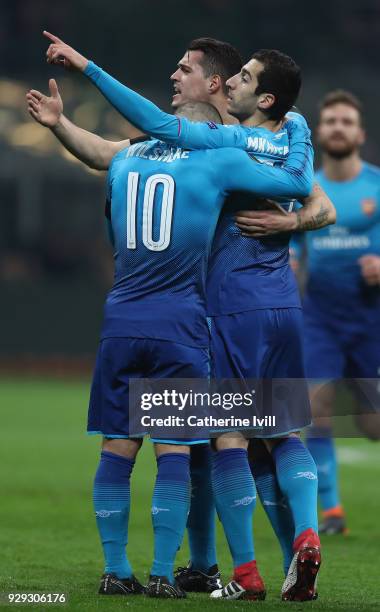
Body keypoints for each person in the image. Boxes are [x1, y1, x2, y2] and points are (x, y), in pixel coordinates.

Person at [29, 33, 335, 601]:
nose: (173, 78)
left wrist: (292, 223)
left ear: (214, 84)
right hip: (265, 307)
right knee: (255, 434)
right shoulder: (269, 139)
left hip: (213, 311)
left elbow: (318, 204)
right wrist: (61, 125)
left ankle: (237, 572)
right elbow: (317, 197)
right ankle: (211, 563)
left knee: (217, 439)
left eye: (184, 69)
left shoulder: (212, 143)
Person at [290, 90, 380, 535]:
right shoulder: (305, 190)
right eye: (330, 121)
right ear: (319, 132)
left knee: (371, 424)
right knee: (316, 407)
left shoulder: (377, 188)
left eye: (346, 121)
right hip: (320, 318)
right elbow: (291, 251)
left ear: (360, 133)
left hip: (372, 320)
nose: (338, 127)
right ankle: (331, 512)